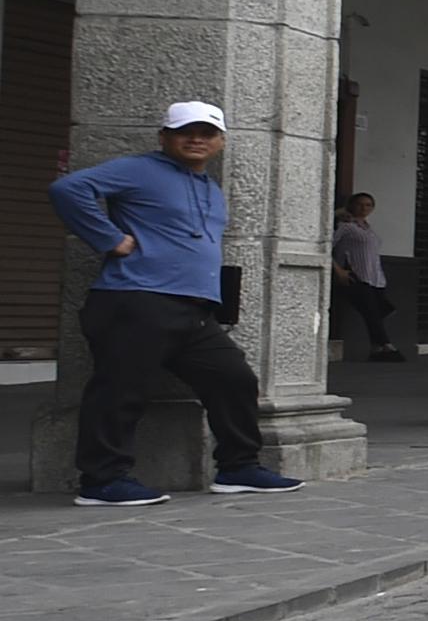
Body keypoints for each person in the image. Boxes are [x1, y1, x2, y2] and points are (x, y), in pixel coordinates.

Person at [47, 101, 303, 505]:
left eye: (206, 133)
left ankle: (238, 468)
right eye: (185, 132)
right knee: (120, 389)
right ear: (164, 137)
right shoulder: (139, 169)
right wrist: (108, 239)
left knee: (234, 379)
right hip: (135, 299)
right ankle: (102, 481)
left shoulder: (209, 187)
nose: (196, 139)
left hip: (194, 311)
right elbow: (67, 189)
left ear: (220, 141)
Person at [329, 192, 402, 363]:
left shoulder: (368, 228)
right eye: (360, 204)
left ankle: (376, 348)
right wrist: (338, 270)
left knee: (380, 311)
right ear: (352, 205)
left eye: (368, 205)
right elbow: (326, 246)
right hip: (356, 276)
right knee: (371, 313)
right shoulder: (345, 226)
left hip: (375, 277)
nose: (364, 208)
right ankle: (386, 346)